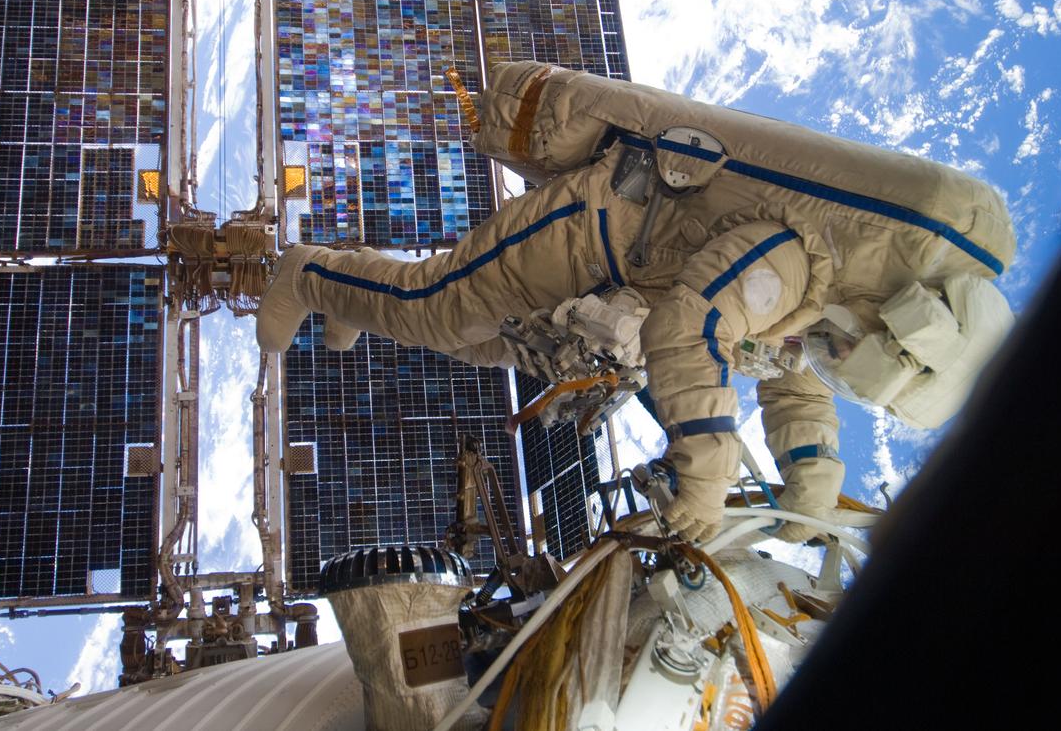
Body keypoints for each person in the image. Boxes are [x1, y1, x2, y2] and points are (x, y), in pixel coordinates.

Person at [257, 62, 1016, 544]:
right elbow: (697, 321)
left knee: (482, 342)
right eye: (851, 359)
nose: (833, 362)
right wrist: (706, 476)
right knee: (437, 307)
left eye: (845, 365)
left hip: (619, 276)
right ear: (892, 333)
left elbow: (792, 371)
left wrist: (814, 477)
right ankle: (308, 274)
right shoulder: (803, 258)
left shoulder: (834, 300)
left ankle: (354, 296)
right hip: (597, 225)